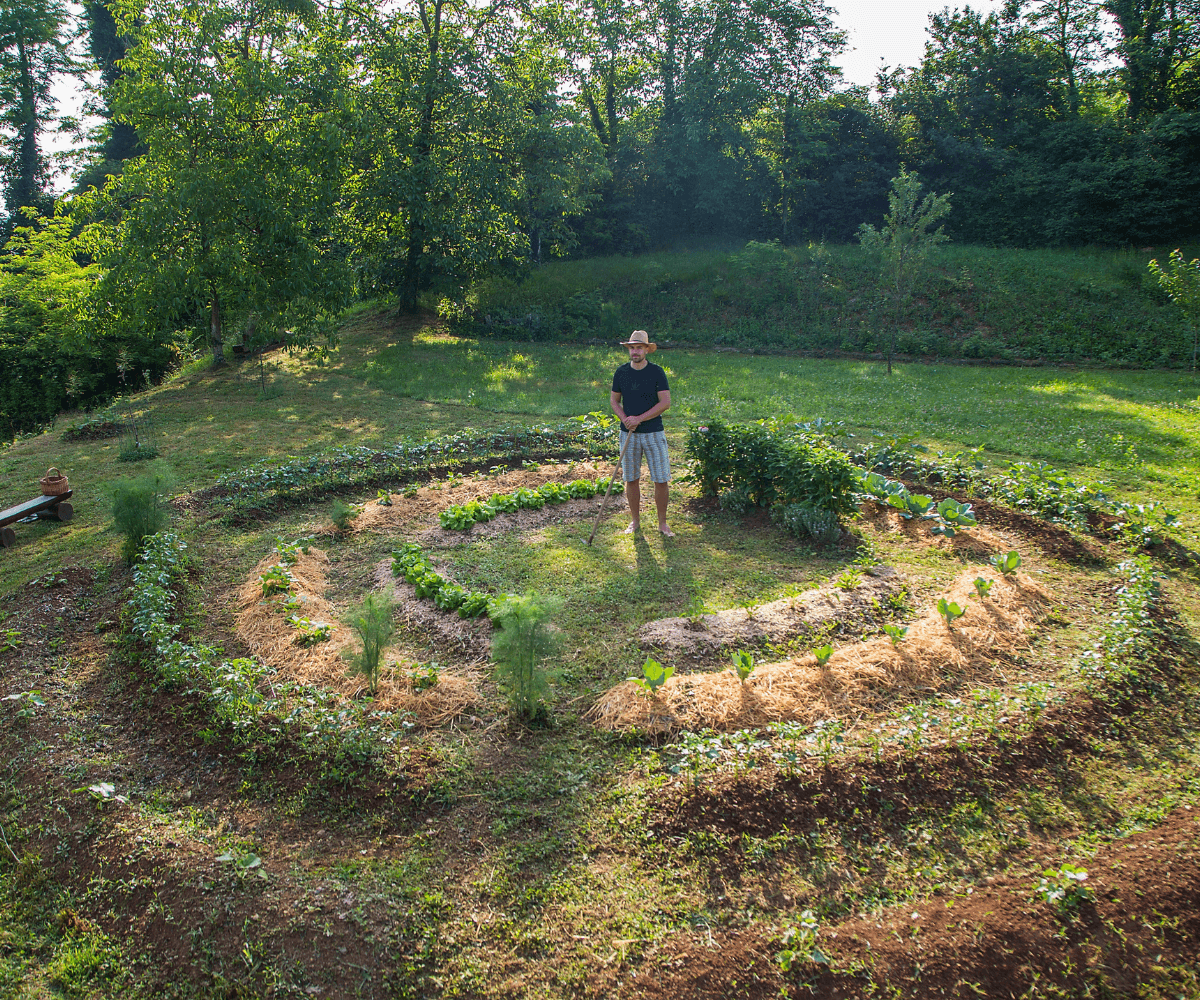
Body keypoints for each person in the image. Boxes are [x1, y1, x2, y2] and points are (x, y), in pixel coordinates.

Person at [610, 330, 673, 536]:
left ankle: (662, 523)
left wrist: (640, 418)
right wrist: (625, 419)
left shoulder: (656, 372)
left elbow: (665, 403)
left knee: (661, 479)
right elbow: (614, 401)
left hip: (653, 432)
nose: (635, 351)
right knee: (631, 478)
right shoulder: (621, 372)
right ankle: (635, 521)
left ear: (647, 349)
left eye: (639, 347)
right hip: (628, 433)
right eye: (631, 348)